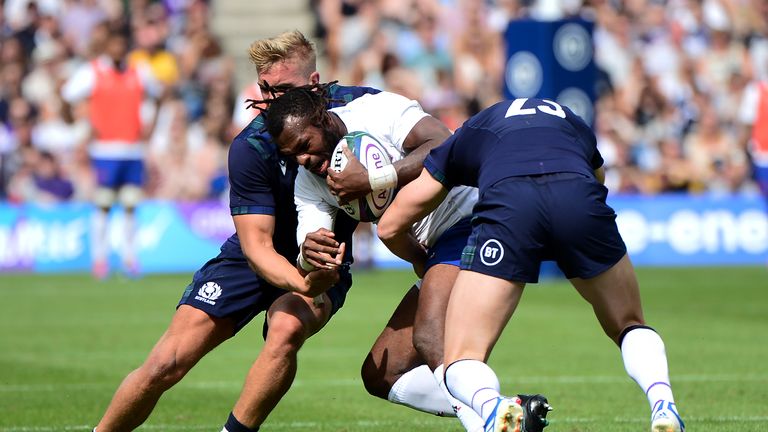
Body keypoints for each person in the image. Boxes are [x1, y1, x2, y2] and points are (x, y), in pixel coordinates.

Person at [91, 30, 375, 432]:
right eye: (265, 89)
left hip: (320, 260)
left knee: (286, 329)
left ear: (314, 85)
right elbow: (257, 247)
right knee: (164, 363)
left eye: (284, 90)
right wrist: (303, 283)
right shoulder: (251, 146)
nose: (272, 101)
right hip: (253, 258)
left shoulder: (364, 110)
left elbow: (417, 139)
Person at [377, 97, 685, 432]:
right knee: (629, 324)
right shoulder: (571, 119)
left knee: (462, 356)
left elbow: (391, 225)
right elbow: (598, 179)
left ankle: (497, 410)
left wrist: (419, 259)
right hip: (578, 198)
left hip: (512, 206)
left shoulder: (472, 131)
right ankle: (664, 405)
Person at [263, 85, 485, 431]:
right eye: (291, 156)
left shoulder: (375, 112)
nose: (302, 161)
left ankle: (493, 418)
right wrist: (309, 258)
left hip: (473, 219)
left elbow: (443, 143)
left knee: (429, 337)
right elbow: (311, 244)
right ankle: (500, 408)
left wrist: (373, 179)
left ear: (322, 119)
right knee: (383, 374)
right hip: (435, 251)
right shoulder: (309, 183)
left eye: (304, 146)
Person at [61, 29, 162, 279]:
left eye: (121, 45)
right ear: (107, 47)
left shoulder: (139, 71)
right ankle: (100, 260)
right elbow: (66, 96)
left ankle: (130, 259)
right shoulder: (92, 71)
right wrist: (81, 125)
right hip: (105, 149)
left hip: (132, 149)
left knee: (130, 204)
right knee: (103, 204)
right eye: (113, 45)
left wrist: (150, 125)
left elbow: (159, 94)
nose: (118, 50)